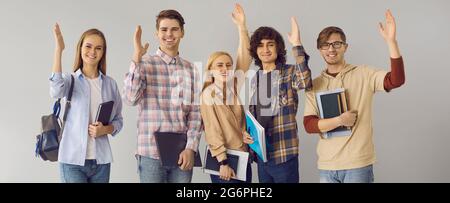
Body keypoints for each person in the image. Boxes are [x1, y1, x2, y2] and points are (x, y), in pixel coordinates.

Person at [303, 10, 405, 183]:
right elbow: (309, 125)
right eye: (325, 45)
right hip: (327, 167)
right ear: (320, 50)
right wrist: (340, 121)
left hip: (358, 165)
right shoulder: (314, 84)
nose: (331, 49)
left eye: (336, 44)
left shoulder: (364, 73)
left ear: (345, 47)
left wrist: (391, 42)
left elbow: (396, 80)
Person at [123, 10, 202, 183]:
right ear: (157, 33)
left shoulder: (191, 70)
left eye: (174, 29)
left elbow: (196, 114)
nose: (169, 34)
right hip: (150, 153)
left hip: (182, 153)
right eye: (164, 29)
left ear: (182, 32)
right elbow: (130, 99)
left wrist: (191, 148)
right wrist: (136, 57)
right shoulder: (144, 64)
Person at [49, 24, 123, 183]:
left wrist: (106, 129)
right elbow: (55, 91)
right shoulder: (70, 80)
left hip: (101, 162)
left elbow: (118, 121)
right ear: (80, 48)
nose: (93, 52)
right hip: (72, 161)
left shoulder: (111, 84)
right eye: (88, 46)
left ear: (103, 52)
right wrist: (59, 50)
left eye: (98, 48)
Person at [245, 16, 312, 182]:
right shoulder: (255, 78)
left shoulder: (289, 72)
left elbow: (305, 81)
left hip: (283, 152)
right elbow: (255, 116)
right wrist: (247, 133)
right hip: (262, 156)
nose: (265, 49)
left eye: (270, 44)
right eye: (260, 45)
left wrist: (297, 44)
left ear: (278, 48)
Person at [200, 4, 254, 183]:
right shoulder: (208, 95)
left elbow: (244, 60)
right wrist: (222, 161)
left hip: (243, 156)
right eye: (220, 65)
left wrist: (242, 28)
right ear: (211, 70)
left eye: (228, 65)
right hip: (224, 162)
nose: (225, 69)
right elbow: (212, 131)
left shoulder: (232, 87)